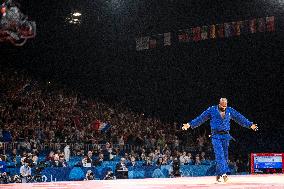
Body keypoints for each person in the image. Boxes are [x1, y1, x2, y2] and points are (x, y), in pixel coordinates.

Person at [182, 98, 258, 182]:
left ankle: (218, 175)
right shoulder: (212, 110)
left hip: (226, 135)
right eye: (222, 106)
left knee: (225, 156)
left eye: (225, 106)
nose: (224, 108)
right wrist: (189, 124)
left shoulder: (230, 110)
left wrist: (250, 124)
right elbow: (201, 118)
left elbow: (239, 118)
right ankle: (224, 174)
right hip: (215, 135)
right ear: (219, 104)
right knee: (219, 154)